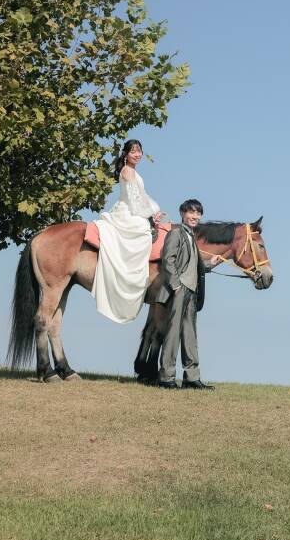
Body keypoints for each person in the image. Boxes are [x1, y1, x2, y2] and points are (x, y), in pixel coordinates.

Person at [91, 138, 163, 324]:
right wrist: (149, 215)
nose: (137, 155)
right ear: (126, 154)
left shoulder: (133, 171)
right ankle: (132, 277)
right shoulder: (127, 171)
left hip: (133, 208)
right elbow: (133, 200)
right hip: (127, 211)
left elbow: (143, 196)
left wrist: (154, 210)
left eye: (139, 151)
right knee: (143, 232)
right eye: (133, 151)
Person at [156, 198, 220, 389]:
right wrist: (176, 286)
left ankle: (191, 377)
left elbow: (194, 265)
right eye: (191, 212)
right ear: (183, 213)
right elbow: (167, 260)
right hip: (179, 290)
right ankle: (166, 378)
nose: (195, 216)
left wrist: (210, 264)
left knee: (190, 335)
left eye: (198, 213)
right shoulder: (176, 233)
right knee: (173, 334)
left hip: (192, 291)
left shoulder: (191, 236)